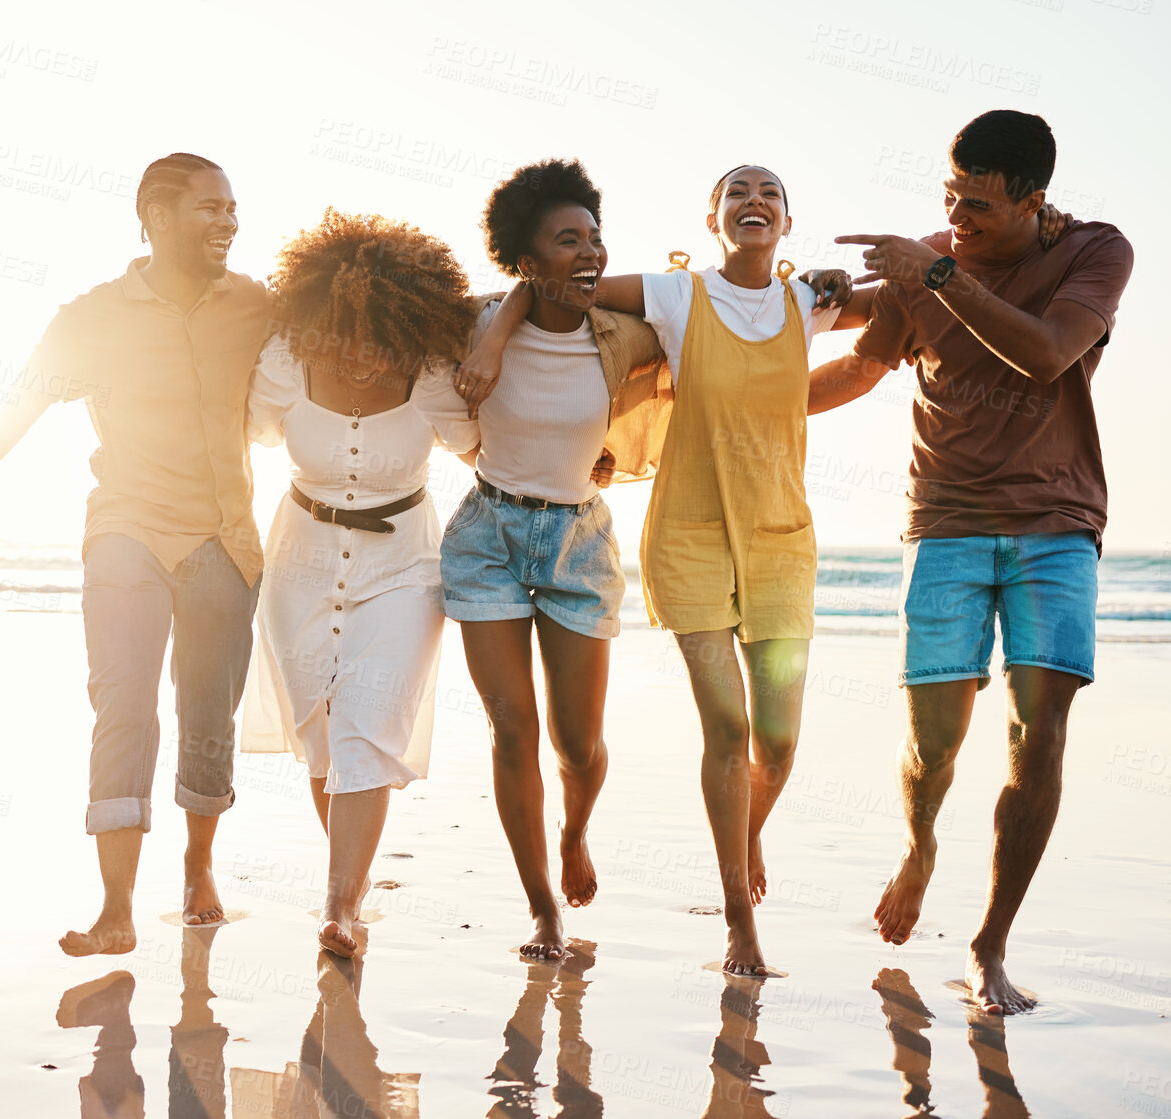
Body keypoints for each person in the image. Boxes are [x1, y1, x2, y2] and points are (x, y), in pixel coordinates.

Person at [466, 164, 851, 976]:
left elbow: (903, 306)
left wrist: (889, 272)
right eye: (736, 192)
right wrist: (498, 330)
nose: (754, 201)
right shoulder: (675, 297)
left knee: (775, 744)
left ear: (787, 219)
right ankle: (738, 923)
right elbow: (567, 286)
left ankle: (742, 831)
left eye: (770, 193)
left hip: (782, 540)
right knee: (728, 730)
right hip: (690, 537)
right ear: (711, 217)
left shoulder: (811, 304)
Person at [0, 152, 271, 956]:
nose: (229, 222)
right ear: (157, 216)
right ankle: (115, 907)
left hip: (224, 540)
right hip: (126, 529)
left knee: (209, 716)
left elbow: (354, 347)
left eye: (234, 209)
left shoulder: (257, 305)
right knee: (123, 705)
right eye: (210, 207)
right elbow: (17, 407)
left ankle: (199, 868)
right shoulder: (90, 318)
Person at [806, 109, 1134, 1014]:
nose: (957, 215)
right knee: (932, 740)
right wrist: (739, 409)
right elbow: (859, 368)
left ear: (1034, 200)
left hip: (1054, 524)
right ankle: (919, 846)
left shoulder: (1095, 252)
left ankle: (988, 943)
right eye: (948, 195)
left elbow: (1044, 354)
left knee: (1039, 734)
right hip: (942, 522)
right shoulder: (928, 258)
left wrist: (936, 277)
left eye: (979, 204)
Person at [443, 158, 669, 961]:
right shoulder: (472, 324)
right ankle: (543, 908)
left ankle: (575, 831)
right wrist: (501, 327)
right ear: (525, 261)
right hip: (486, 540)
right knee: (513, 731)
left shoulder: (626, 335)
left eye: (595, 237)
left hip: (578, 543)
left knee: (578, 745)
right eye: (566, 239)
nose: (590, 252)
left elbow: (710, 336)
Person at [240, 210, 479, 957]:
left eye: (386, 340)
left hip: (404, 568)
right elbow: (236, 428)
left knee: (365, 726)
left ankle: (340, 907)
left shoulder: (433, 373)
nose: (367, 356)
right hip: (298, 565)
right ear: (319, 322)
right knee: (320, 734)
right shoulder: (285, 356)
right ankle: (354, 882)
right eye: (349, 336)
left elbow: (485, 448)